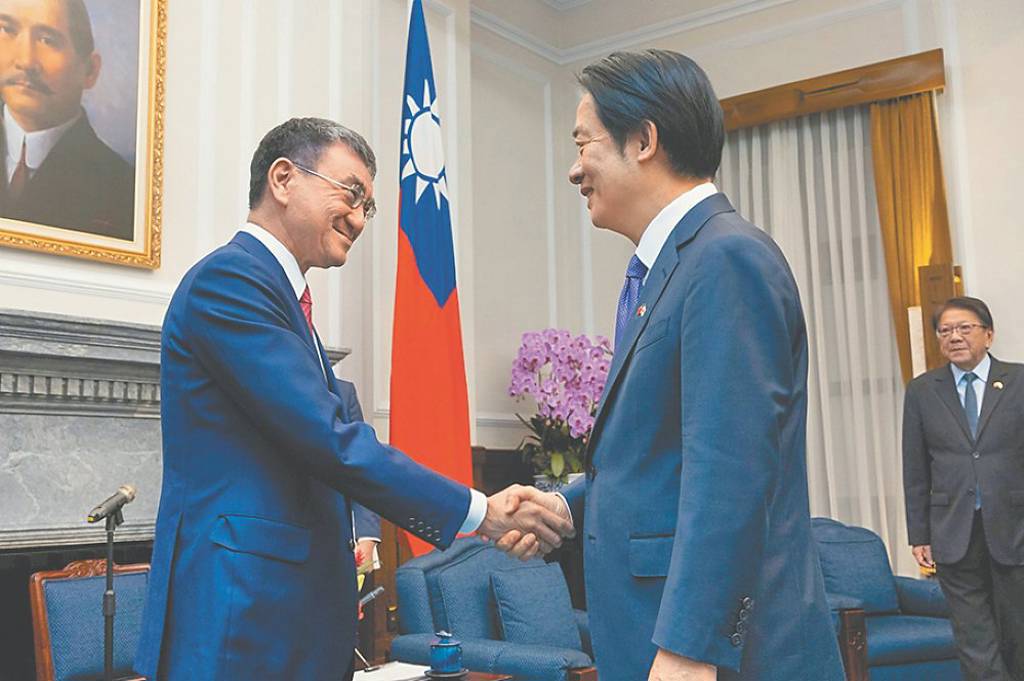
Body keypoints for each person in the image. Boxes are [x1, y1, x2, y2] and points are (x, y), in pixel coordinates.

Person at [134, 117, 573, 681]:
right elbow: (330, 441)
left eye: (369, 206)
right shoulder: (231, 282)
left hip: (282, 618)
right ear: (283, 179)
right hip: (239, 620)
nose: (361, 219)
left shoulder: (280, 298)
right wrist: (481, 512)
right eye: (351, 193)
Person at [492, 50, 843, 681]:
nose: (574, 170)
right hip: (653, 635)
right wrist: (566, 508)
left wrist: (690, 647)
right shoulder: (668, 271)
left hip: (714, 656)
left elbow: (731, 471)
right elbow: (663, 458)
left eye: (584, 143)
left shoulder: (726, 259)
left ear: (644, 140)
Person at [903, 297, 1024, 680]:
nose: (954, 337)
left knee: (1018, 632)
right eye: (945, 331)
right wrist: (919, 533)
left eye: (964, 328)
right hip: (953, 529)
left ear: (988, 334)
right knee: (973, 637)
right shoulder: (923, 390)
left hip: (1015, 527)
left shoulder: (1019, 381)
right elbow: (915, 467)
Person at [0, 0, 134, 238]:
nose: (25, 61)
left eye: (47, 40)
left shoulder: (123, 188)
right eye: (6, 30)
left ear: (90, 71)